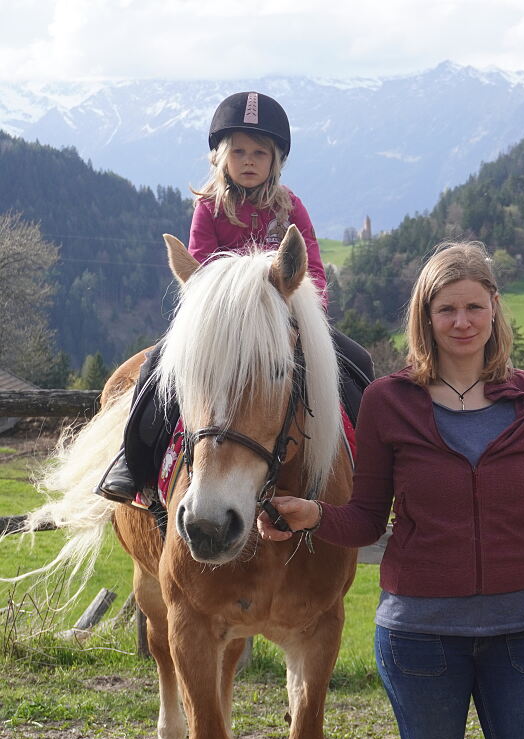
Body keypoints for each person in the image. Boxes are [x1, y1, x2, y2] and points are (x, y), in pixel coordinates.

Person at [257, 242, 524, 739]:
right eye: (446, 309)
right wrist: (313, 515)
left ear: (494, 310)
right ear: (425, 317)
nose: (462, 322)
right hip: (419, 641)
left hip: (520, 639)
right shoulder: (389, 401)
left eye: (474, 307)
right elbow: (366, 520)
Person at [96, 91, 372, 503]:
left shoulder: (291, 208)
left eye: (259, 153)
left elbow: (311, 269)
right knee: (156, 369)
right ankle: (133, 461)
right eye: (239, 151)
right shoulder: (209, 207)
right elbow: (203, 272)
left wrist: (304, 316)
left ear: (274, 161)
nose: (248, 160)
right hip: (221, 324)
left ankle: (370, 465)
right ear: (221, 157)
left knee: (359, 364)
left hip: (282, 322)